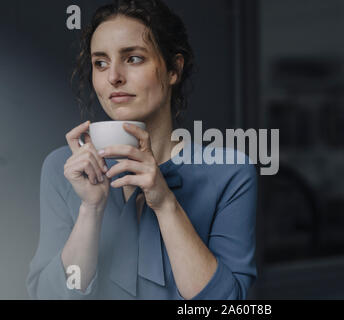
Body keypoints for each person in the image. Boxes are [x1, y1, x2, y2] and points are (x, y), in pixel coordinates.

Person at [26, 0, 257, 300]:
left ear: (174, 69)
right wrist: (91, 210)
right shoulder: (65, 169)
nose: (113, 77)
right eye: (101, 63)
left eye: (133, 58)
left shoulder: (230, 172)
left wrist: (164, 203)